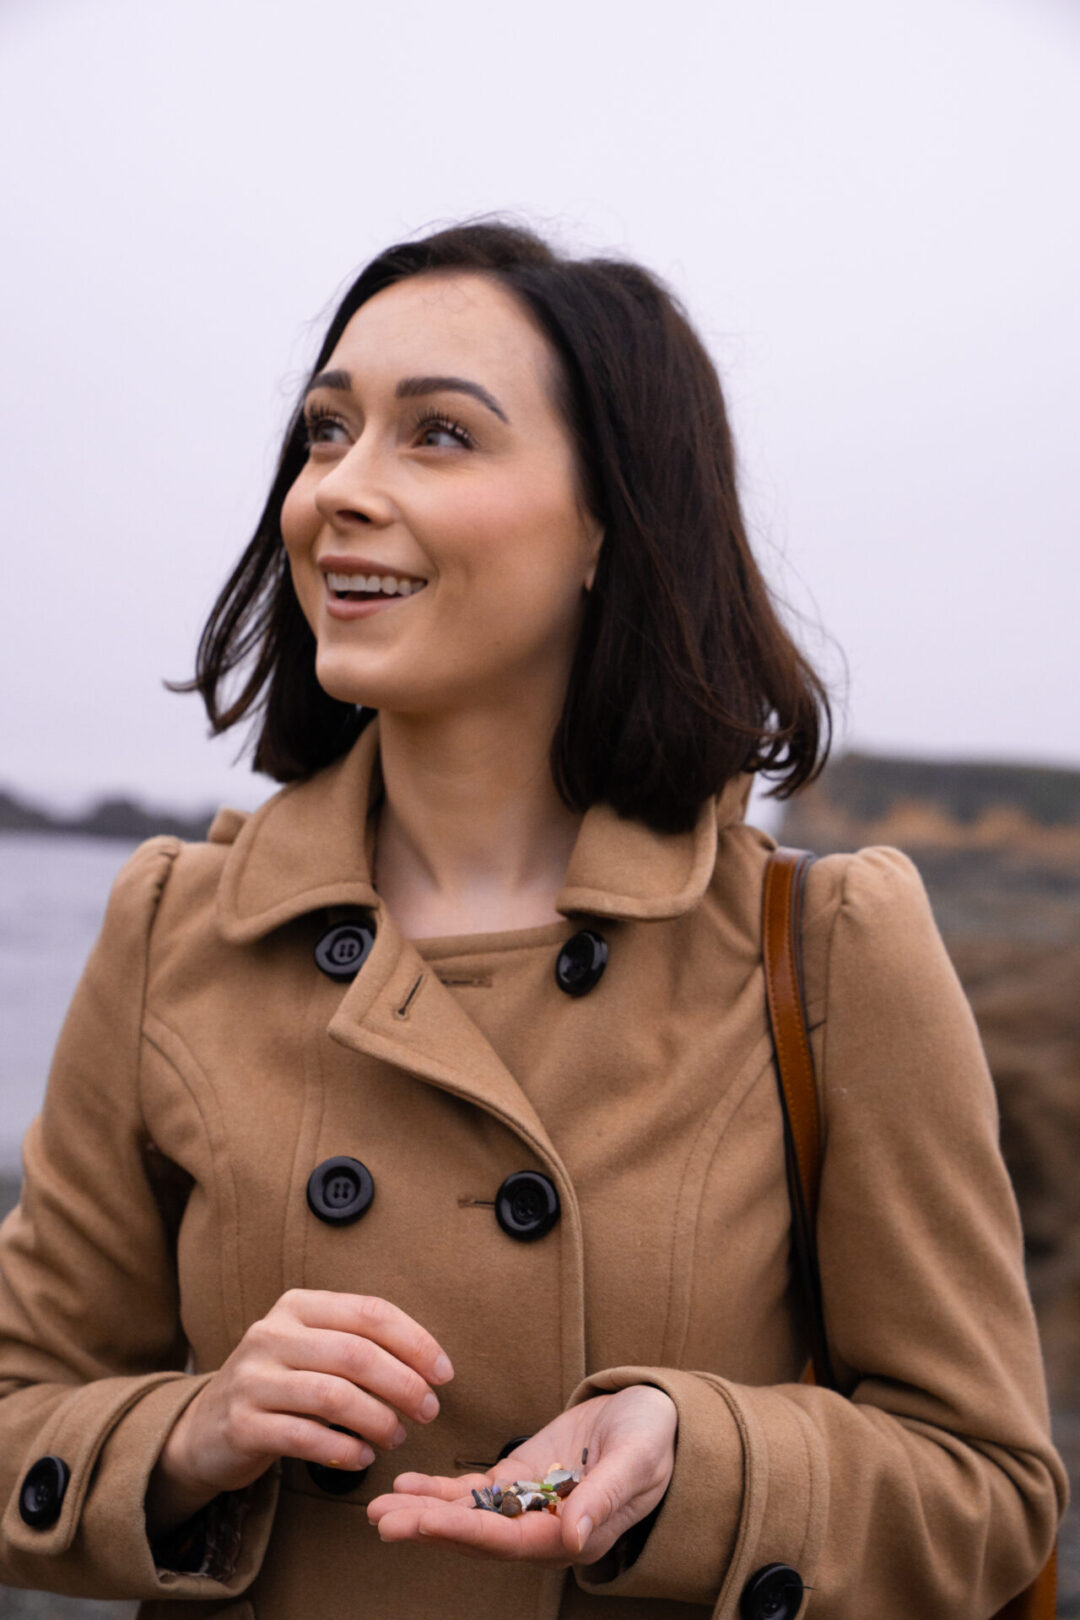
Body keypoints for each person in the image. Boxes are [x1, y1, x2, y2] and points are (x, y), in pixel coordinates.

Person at [0, 221, 1066, 1620]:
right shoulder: (174, 926)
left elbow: (988, 1489)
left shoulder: (822, 941)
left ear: (607, 525)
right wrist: (190, 1436)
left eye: (438, 435)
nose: (340, 493)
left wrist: (700, 1461)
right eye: (327, 433)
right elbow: (24, 1408)